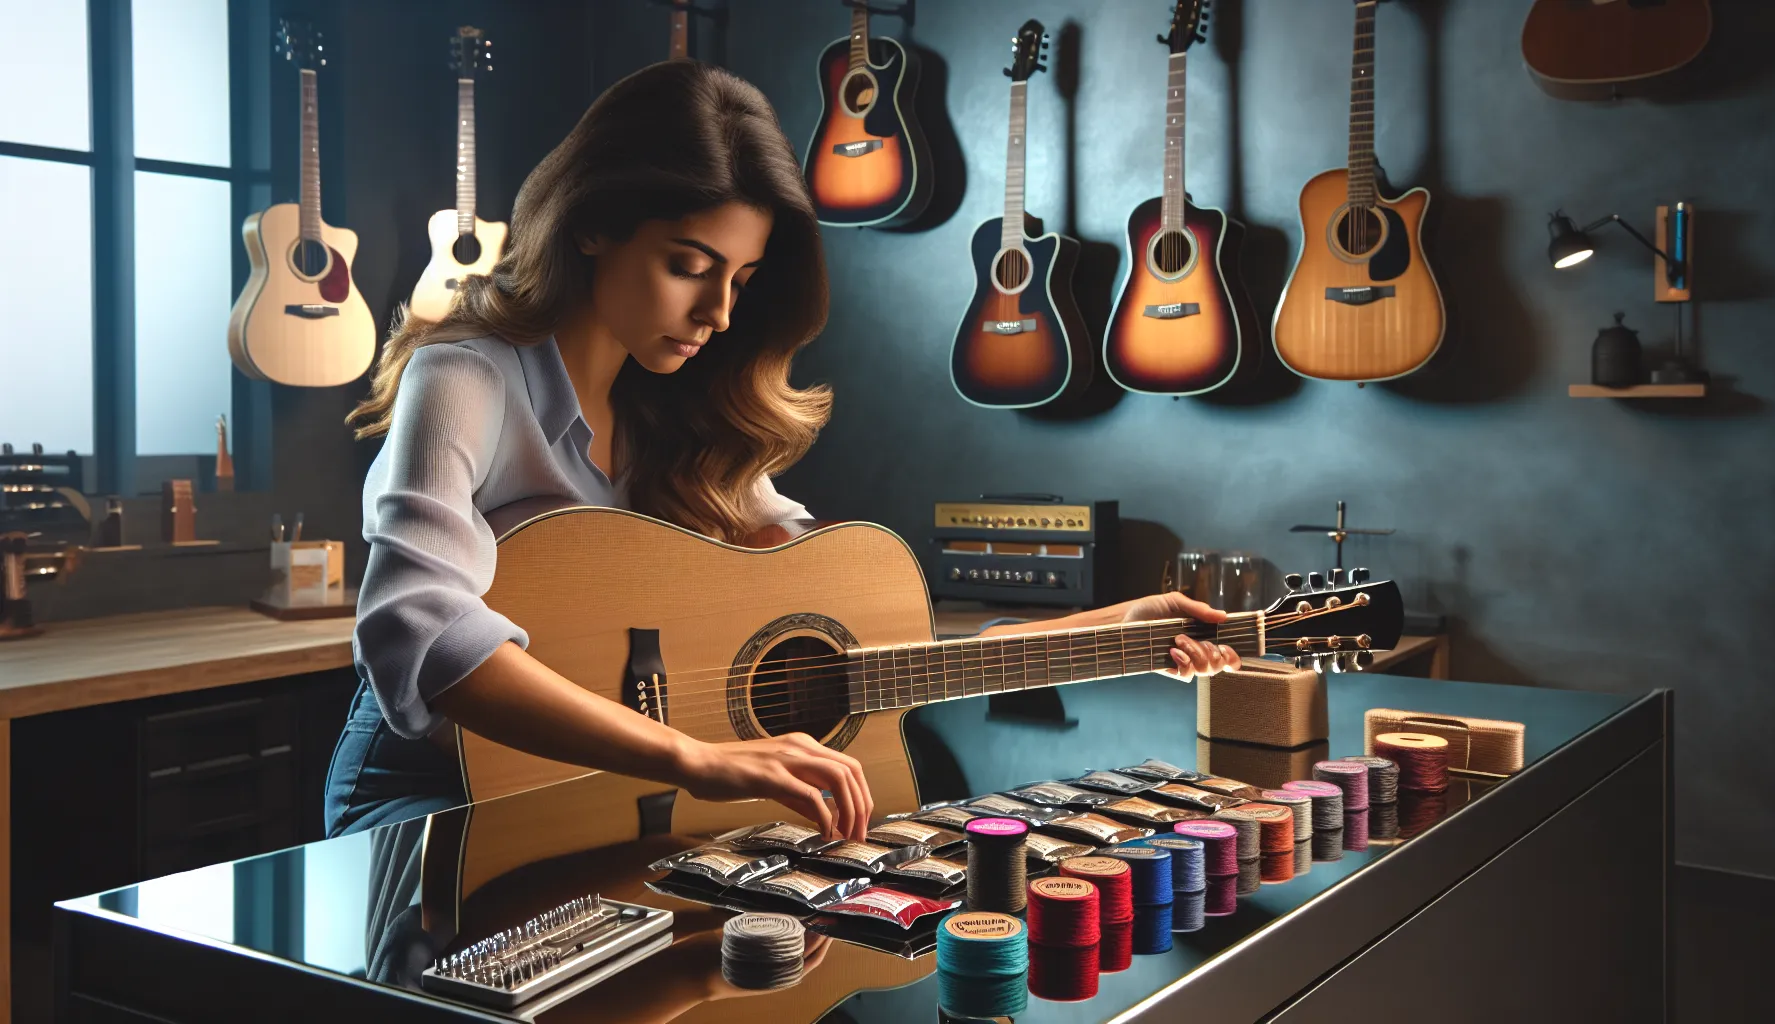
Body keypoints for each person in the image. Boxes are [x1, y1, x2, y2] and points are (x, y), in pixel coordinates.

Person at [325, 61, 1240, 843]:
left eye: (742, 279)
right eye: (690, 265)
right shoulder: (465, 378)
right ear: (593, 224)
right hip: (429, 795)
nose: (719, 314)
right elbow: (421, 624)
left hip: (611, 801)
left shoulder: (686, 414)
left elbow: (860, 628)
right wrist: (699, 757)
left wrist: (1099, 637)